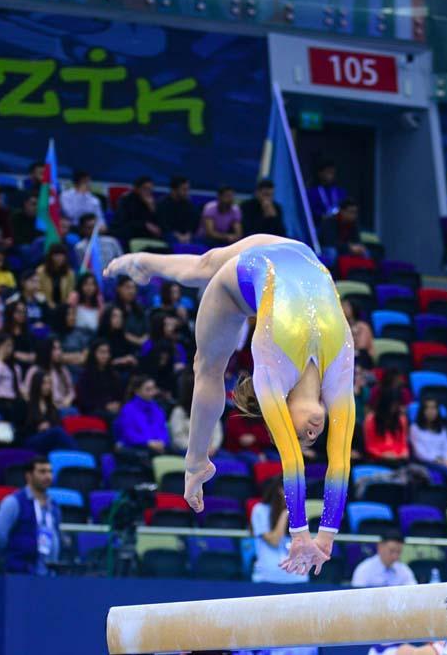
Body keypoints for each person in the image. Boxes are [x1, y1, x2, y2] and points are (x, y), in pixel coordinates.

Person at [104, 233, 354, 576]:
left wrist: (311, 535)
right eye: (310, 440)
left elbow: (301, 461)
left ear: (278, 408)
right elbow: (335, 460)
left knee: (206, 367)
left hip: (240, 281)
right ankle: (142, 262)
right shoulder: (339, 370)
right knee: (202, 266)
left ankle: (194, 464)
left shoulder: (272, 372)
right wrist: (321, 537)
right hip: (291, 253)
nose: (310, 436)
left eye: (300, 435)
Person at [0, 456, 62, 575]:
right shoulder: (13, 502)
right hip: (19, 575)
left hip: (48, 576)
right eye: (42, 472)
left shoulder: (54, 506)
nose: (48, 476)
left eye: (50, 472)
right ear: (28, 476)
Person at [250, 477, 309, 584]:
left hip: (298, 577)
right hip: (268, 577)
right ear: (280, 490)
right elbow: (274, 541)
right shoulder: (260, 510)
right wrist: (285, 513)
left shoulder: (299, 512)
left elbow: (304, 544)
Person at [167, 369, 222, 456]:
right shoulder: (179, 412)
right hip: (188, 451)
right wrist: (198, 450)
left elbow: (217, 433)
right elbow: (178, 438)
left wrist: (213, 447)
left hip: (210, 451)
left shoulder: (211, 410)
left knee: (235, 463)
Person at [22, 370, 77, 453]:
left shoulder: (52, 407)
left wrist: (49, 427)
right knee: (58, 432)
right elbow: (20, 429)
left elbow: (58, 424)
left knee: (59, 445)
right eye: (44, 383)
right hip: (31, 439)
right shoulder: (26, 405)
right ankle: (79, 455)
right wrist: (38, 428)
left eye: (49, 383)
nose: (48, 386)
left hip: (49, 439)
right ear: (37, 384)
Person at [114, 374, 168, 455]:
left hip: (158, 448)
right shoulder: (128, 409)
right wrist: (148, 443)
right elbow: (129, 435)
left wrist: (162, 442)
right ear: (137, 391)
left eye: (153, 388)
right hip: (137, 448)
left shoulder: (157, 408)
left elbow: (163, 430)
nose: (152, 393)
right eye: (148, 389)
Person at [22, 337, 76, 411]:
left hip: (63, 406)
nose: (59, 352)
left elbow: (71, 390)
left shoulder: (62, 369)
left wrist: (68, 399)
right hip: (45, 408)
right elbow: (26, 393)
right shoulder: (35, 370)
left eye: (59, 348)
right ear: (46, 350)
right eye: (54, 349)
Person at [75, 339, 125, 416]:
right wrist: (105, 406)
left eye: (107, 352)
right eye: (102, 352)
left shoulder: (113, 373)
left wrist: (117, 404)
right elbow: (85, 401)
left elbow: (119, 395)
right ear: (94, 354)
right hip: (94, 410)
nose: (106, 355)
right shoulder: (86, 375)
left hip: (113, 408)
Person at [350, 532, 416, 588]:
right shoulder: (364, 569)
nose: (395, 556)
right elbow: (357, 598)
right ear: (380, 547)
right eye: (391, 551)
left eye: (398, 552)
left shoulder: (404, 570)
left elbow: (413, 594)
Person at [408, 397, 447, 473]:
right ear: (422, 411)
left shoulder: (442, 429)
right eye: (427, 408)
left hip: (444, 461)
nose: (431, 411)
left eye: (434, 408)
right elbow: (420, 453)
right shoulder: (415, 428)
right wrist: (440, 461)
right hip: (426, 462)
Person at [363, 391, 410, 465]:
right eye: (391, 405)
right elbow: (369, 446)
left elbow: (403, 443)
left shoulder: (401, 419)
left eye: (395, 405)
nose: (393, 408)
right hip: (379, 458)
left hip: (398, 457)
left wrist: (403, 452)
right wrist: (382, 454)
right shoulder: (371, 419)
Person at [116, 176, 163, 243]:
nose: (148, 192)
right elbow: (125, 221)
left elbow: (161, 223)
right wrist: (145, 225)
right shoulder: (126, 200)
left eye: (150, 189)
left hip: (149, 235)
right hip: (131, 233)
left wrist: (152, 207)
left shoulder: (153, 202)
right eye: (145, 189)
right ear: (136, 189)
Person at [159, 175, 200, 244]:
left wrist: (188, 234)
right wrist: (177, 235)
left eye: (188, 189)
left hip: (187, 236)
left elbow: (193, 223)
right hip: (169, 235)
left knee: (199, 242)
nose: (187, 192)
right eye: (184, 189)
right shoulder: (162, 204)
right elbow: (163, 225)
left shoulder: (189, 205)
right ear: (174, 190)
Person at [36, 243, 76, 312]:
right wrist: (49, 304)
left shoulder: (70, 273)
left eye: (62, 255)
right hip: (45, 306)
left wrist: (64, 305)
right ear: (50, 256)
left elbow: (71, 291)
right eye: (56, 255)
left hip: (63, 308)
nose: (59, 258)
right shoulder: (40, 271)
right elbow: (38, 290)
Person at [307, 160, 346, 226]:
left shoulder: (340, 192)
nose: (331, 175)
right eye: (328, 172)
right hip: (319, 226)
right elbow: (310, 211)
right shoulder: (312, 192)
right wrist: (322, 217)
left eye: (333, 173)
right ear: (320, 173)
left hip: (338, 226)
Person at [0, 300, 36, 367]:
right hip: (7, 366)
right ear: (10, 313)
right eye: (18, 312)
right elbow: (2, 354)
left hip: (27, 367)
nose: (22, 314)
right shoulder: (3, 333)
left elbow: (33, 356)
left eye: (24, 312)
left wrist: (15, 354)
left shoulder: (28, 334)